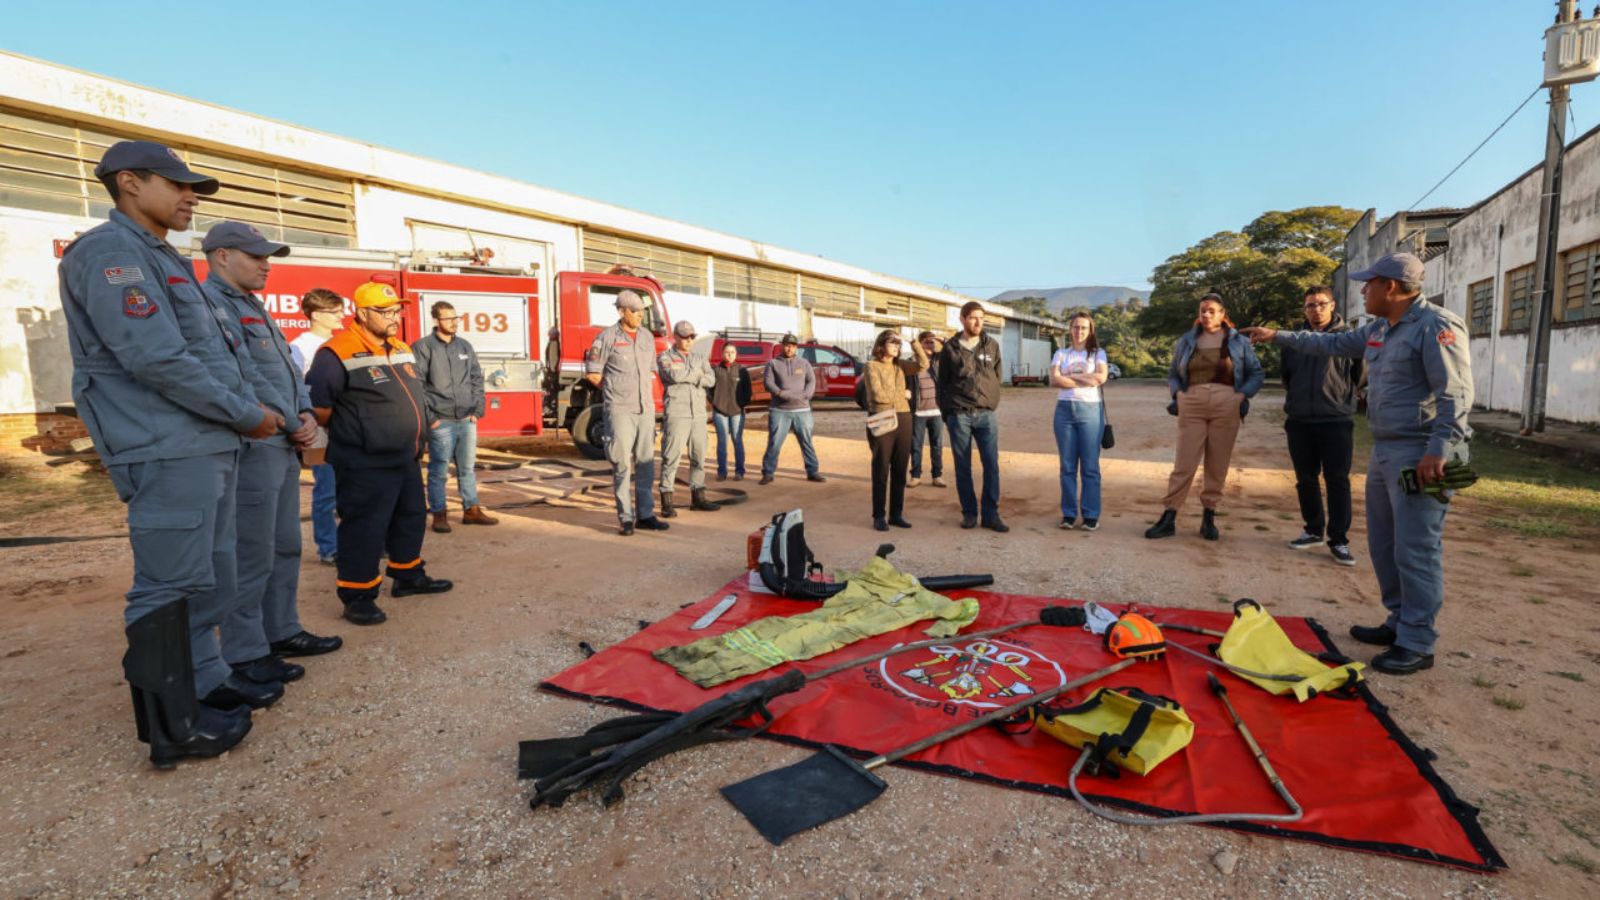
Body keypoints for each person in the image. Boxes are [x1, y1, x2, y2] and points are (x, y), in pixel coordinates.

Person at [59, 140, 282, 766]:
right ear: (129, 182)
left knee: (207, 578)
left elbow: (208, 356)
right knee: (168, 585)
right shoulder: (109, 252)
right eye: (178, 185)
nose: (190, 198)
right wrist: (244, 413)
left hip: (202, 441)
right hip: (164, 444)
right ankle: (171, 727)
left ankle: (206, 683)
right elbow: (155, 357)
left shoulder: (158, 255)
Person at [1244, 253, 1472, 676]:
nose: (1362, 291)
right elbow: (1328, 343)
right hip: (1387, 450)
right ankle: (1398, 621)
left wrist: (1439, 451)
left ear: (1391, 286)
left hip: (1424, 452)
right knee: (1385, 545)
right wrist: (1277, 335)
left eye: (1368, 284)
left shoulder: (1436, 326)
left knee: (1417, 548)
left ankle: (1418, 642)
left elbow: (1455, 395)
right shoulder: (1381, 329)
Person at [201, 222, 342, 686]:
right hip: (255, 444)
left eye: (268, 257)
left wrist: (304, 413)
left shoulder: (253, 307)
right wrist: (289, 420)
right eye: (256, 256)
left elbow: (285, 373)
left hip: (283, 442)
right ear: (222, 256)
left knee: (285, 546)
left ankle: (281, 630)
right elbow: (241, 379)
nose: (266, 265)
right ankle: (244, 651)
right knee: (250, 552)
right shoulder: (211, 306)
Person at [306, 282, 453, 625]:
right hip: (364, 462)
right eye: (385, 312)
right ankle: (357, 596)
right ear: (361, 313)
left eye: (396, 311)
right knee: (364, 529)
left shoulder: (400, 346)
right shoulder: (335, 352)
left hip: (405, 456)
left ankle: (407, 575)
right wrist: (363, 432)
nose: (394, 318)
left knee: (410, 516)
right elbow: (320, 408)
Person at [1145, 292, 1264, 541]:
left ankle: (1208, 516)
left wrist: (1241, 396)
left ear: (1222, 314)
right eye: (1203, 311)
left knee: (1217, 464)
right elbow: (1173, 373)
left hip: (1226, 405)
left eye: (1212, 310)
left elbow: (1256, 373)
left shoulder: (1238, 342)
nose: (1206, 315)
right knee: (1184, 464)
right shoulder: (1187, 341)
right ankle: (1169, 516)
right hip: (1193, 404)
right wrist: (1179, 394)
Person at [1280, 286, 1365, 567]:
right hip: (1300, 420)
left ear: (1333, 305)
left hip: (1336, 421)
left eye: (1320, 304)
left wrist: (1339, 398)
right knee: (1305, 478)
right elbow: (1287, 376)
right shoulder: (1293, 340)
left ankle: (1339, 540)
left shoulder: (1348, 339)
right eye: (1309, 305)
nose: (1315, 309)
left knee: (1337, 481)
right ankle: (1312, 529)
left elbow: (1358, 375)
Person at [585, 290, 670, 535]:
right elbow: (593, 373)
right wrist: (613, 390)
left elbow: (652, 371)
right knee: (622, 465)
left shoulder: (646, 337)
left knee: (645, 463)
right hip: (620, 410)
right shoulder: (606, 337)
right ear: (622, 312)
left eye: (642, 312)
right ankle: (626, 518)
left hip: (645, 410)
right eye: (636, 312)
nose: (640, 316)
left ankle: (645, 515)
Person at [414, 300, 497, 533]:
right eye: (448, 318)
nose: (454, 323)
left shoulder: (464, 346)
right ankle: (439, 514)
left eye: (455, 318)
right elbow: (417, 385)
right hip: (441, 420)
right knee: (439, 469)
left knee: (467, 468)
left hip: (466, 419)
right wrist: (431, 417)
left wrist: (477, 410)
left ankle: (471, 510)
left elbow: (476, 379)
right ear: (436, 321)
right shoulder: (423, 347)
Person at [938, 301, 1006, 531]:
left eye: (981, 318)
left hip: (986, 415)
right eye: (973, 318)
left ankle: (991, 514)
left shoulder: (991, 345)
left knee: (991, 464)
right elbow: (942, 383)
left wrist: (992, 401)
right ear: (963, 319)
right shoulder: (951, 348)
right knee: (962, 467)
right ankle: (969, 513)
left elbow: (997, 376)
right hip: (960, 415)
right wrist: (948, 413)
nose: (978, 322)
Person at [288, 288, 345, 566]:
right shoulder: (300, 347)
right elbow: (295, 389)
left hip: (345, 426)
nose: (342, 316)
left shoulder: (340, 343)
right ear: (317, 314)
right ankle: (329, 547)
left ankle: (351, 541)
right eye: (336, 312)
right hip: (319, 428)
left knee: (350, 488)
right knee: (327, 490)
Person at [862, 330, 928, 531]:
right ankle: (879, 515)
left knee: (900, 468)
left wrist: (912, 341)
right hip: (882, 417)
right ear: (881, 345)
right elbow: (878, 395)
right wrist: (904, 393)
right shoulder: (871, 366)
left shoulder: (900, 365)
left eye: (898, 345)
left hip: (904, 417)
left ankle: (896, 514)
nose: (896, 347)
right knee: (881, 468)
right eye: (892, 343)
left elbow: (924, 364)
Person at [1050, 312, 1109, 531]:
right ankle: (1068, 514)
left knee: (1090, 466)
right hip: (1064, 411)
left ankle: (1091, 514)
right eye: (1076, 327)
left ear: (1090, 330)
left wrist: (1069, 379)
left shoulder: (1098, 354)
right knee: (1067, 466)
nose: (1079, 331)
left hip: (1090, 411)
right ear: (1070, 329)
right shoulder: (1061, 353)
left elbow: (1101, 378)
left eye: (1084, 327)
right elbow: (1053, 380)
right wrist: (1085, 379)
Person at [656, 320, 720, 515]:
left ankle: (698, 497)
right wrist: (697, 374)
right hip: (677, 413)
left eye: (692, 336)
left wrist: (691, 374)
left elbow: (711, 379)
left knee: (699, 456)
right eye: (685, 337)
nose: (689, 340)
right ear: (675, 337)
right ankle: (667, 501)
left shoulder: (700, 357)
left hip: (698, 415)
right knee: (671, 457)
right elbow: (673, 377)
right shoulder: (665, 357)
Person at [760, 334, 826, 485]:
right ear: (782, 346)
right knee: (774, 442)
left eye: (793, 346)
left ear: (797, 347)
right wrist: (780, 393)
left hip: (802, 411)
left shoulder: (804, 363)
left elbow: (811, 380)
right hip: (779, 410)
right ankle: (768, 473)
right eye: (787, 345)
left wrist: (808, 394)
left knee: (806, 441)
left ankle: (812, 471)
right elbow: (768, 382)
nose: (789, 348)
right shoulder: (773, 363)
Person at [907, 331, 946, 488]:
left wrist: (942, 340)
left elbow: (952, 350)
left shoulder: (938, 360)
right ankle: (915, 476)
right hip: (918, 411)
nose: (930, 345)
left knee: (937, 445)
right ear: (920, 344)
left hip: (936, 412)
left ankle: (937, 476)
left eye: (932, 342)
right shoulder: (911, 362)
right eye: (927, 342)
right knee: (915, 445)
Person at [710, 342, 752, 481]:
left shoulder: (742, 371)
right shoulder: (716, 371)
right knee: (722, 442)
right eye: (727, 352)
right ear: (722, 354)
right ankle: (722, 472)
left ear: (736, 354)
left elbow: (748, 391)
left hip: (737, 412)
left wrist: (741, 404)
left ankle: (739, 471)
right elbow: (709, 390)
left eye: (732, 352)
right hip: (720, 412)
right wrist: (715, 402)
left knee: (737, 440)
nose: (730, 355)